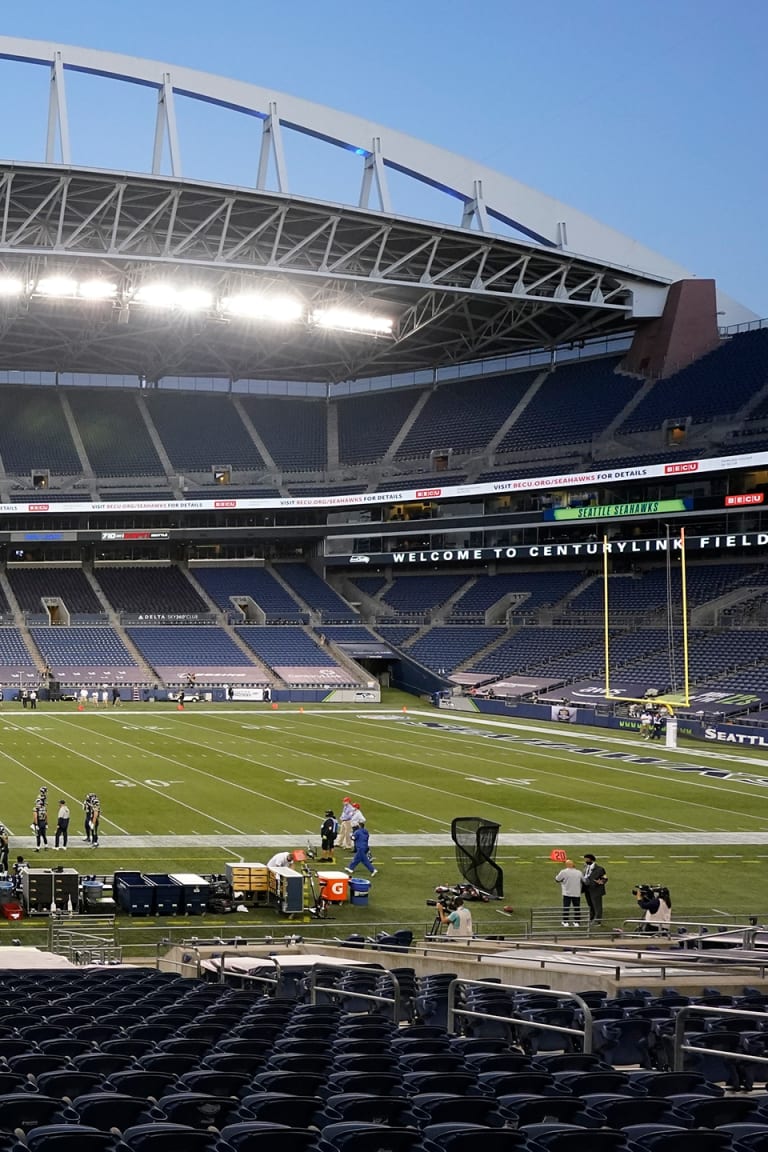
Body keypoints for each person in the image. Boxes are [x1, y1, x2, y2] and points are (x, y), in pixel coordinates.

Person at [554, 858, 582, 927]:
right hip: (576, 893)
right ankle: (577, 922)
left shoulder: (563, 872)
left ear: (566, 865)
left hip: (567, 893)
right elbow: (584, 880)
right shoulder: (579, 872)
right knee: (577, 907)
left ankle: (565, 921)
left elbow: (557, 879)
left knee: (566, 907)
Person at [582, 853, 607, 923]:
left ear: (591, 859)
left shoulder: (600, 869)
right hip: (587, 889)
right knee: (590, 904)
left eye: (586, 859)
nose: (585, 861)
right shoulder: (585, 867)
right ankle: (591, 917)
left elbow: (605, 878)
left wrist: (601, 881)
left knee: (597, 905)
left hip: (596, 890)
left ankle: (598, 920)